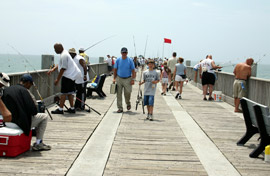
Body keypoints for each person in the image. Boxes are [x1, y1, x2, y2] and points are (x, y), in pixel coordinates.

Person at [18, 74, 51, 151]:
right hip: (24, 121)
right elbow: (34, 108)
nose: (31, 86)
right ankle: (39, 143)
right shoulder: (26, 92)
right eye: (31, 84)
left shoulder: (13, 90)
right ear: (28, 83)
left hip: (13, 120)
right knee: (44, 117)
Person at [47, 43, 81, 114]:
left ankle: (60, 109)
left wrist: (57, 79)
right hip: (71, 76)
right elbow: (60, 64)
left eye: (55, 49)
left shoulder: (64, 55)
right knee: (70, 93)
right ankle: (72, 108)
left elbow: (63, 68)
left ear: (59, 48)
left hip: (68, 76)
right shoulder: (64, 53)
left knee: (63, 93)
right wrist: (53, 69)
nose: (55, 50)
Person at [113, 47, 136, 113]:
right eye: (123, 52)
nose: (124, 54)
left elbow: (133, 70)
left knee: (128, 93)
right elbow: (115, 69)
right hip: (119, 78)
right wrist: (114, 78)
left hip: (128, 78)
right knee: (119, 94)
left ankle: (128, 103)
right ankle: (120, 108)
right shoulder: (118, 60)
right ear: (121, 53)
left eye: (125, 52)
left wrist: (133, 79)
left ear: (127, 53)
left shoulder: (130, 60)